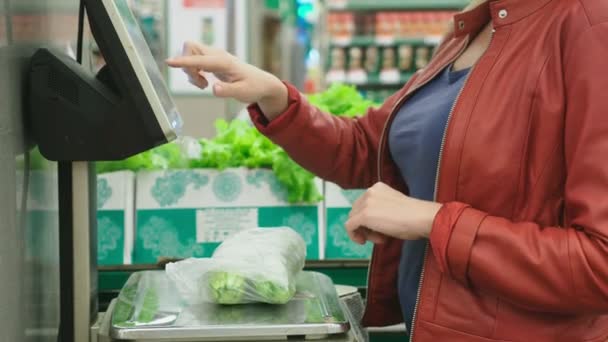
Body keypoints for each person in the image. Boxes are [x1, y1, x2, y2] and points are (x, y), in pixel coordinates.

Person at [167, 0, 608, 340]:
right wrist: (272, 95)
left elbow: (599, 262)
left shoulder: (588, 24)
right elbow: (366, 148)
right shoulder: (470, 31)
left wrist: (431, 220)